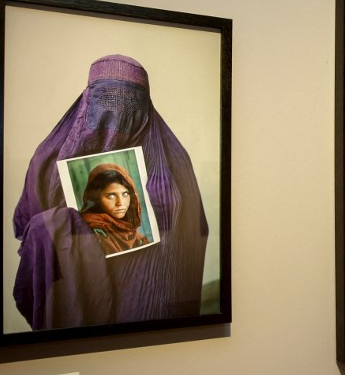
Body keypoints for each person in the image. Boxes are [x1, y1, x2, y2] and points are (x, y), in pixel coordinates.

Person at [13, 54, 208, 330]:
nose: (116, 119)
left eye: (130, 104)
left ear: (147, 104)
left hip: (151, 297)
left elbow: (192, 234)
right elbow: (28, 228)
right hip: (79, 296)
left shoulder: (174, 160)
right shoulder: (48, 158)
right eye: (105, 102)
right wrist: (63, 224)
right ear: (87, 99)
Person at [79, 163, 150, 255]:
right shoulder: (92, 231)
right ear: (96, 198)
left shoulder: (128, 228)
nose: (120, 203)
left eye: (125, 194)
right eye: (111, 196)